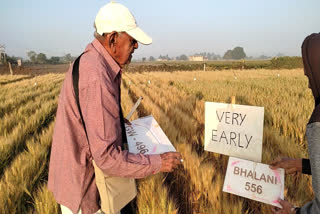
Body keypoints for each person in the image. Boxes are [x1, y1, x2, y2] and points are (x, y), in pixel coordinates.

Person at [48, 2, 182, 214]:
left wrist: (116, 123)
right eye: (132, 40)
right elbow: (107, 157)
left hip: (75, 179)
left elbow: (89, 119)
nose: (136, 46)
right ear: (112, 39)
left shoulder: (90, 61)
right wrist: (158, 162)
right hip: (85, 193)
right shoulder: (97, 76)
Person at [269, 32, 320, 214]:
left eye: (309, 77)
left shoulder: (318, 123)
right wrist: (302, 164)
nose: (308, 85)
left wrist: (293, 212)